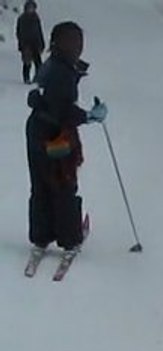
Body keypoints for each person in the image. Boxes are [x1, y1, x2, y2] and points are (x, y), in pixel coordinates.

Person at [25, 21, 107, 260]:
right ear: (57, 43)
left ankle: (42, 233)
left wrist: (76, 72)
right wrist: (90, 116)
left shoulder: (53, 65)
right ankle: (69, 237)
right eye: (72, 41)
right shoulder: (61, 71)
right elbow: (62, 109)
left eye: (80, 41)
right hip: (54, 136)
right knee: (63, 182)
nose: (78, 47)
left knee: (42, 182)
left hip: (36, 132)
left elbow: (45, 94)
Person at [16, 0, 44, 84]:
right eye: (29, 7)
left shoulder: (36, 18)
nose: (31, 9)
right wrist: (21, 43)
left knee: (38, 62)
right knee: (27, 63)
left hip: (36, 42)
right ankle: (26, 78)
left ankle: (38, 78)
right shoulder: (22, 18)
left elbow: (39, 31)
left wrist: (42, 42)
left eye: (32, 7)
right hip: (26, 43)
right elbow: (19, 32)